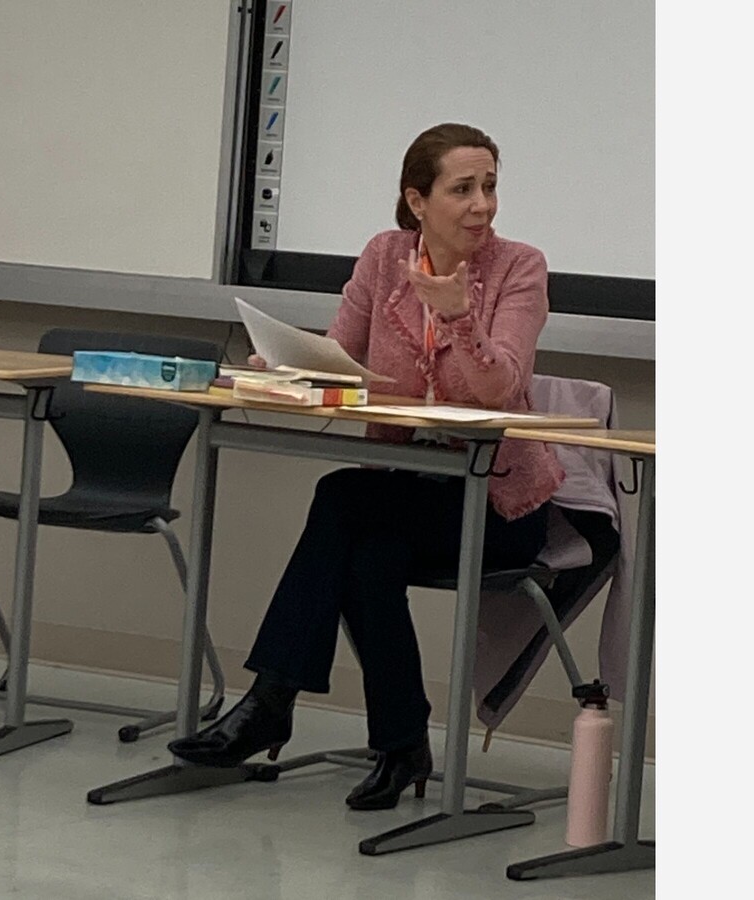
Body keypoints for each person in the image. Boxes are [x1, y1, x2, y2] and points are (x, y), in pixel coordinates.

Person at [168, 123, 565, 810]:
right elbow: (340, 357)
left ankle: (271, 701)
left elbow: (500, 390)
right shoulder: (385, 258)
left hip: (496, 504)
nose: (482, 205)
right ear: (417, 200)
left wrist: (460, 319)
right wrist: (285, 366)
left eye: (490, 187)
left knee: (341, 500)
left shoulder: (519, 268)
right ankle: (401, 745)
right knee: (366, 556)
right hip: (402, 490)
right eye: (463, 189)